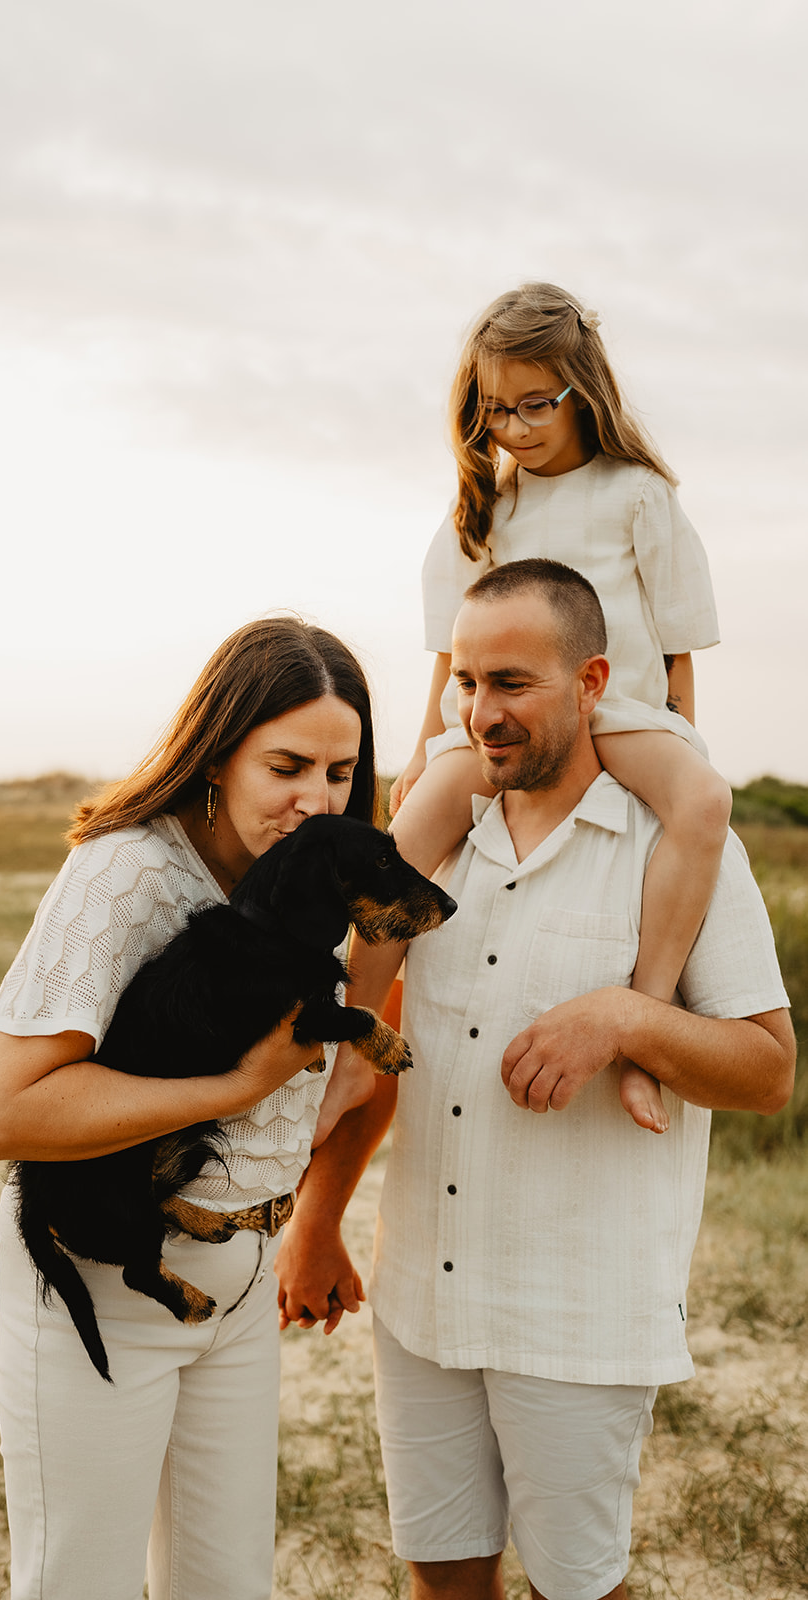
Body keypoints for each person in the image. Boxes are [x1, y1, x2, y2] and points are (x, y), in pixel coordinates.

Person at [276, 561, 794, 1600]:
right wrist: (319, 1217)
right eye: (465, 681)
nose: (478, 711)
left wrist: (624, 1016)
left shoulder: (680, 846)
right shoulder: (429, 842)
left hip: (578, 1313)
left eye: (510, 682)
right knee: (441, 1582)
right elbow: (377, 1047)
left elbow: (766, 1068)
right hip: (421, 1295)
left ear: (593, 680)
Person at [0, 616, 378, 1600]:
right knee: (79, 1587)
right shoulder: (128, 874)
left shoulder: (307, 888)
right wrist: (236, 1086)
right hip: (100, 1275)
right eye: (286, 766)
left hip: (234, 1286)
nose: (315, 802)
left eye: (338, 772)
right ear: (215, 755)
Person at [322, 283, 732, 1137]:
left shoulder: (637, 495)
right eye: (493, 410)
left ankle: (643, 1022)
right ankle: (354, 1050)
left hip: (619, 716)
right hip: (506, 722)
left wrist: (684, 739)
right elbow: (452, 654)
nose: (511, 427)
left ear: (583, 390)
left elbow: (673, 644)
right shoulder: (487, 505)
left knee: (703, 803)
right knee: (406, 836)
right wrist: (427, 750)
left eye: (533, 405)